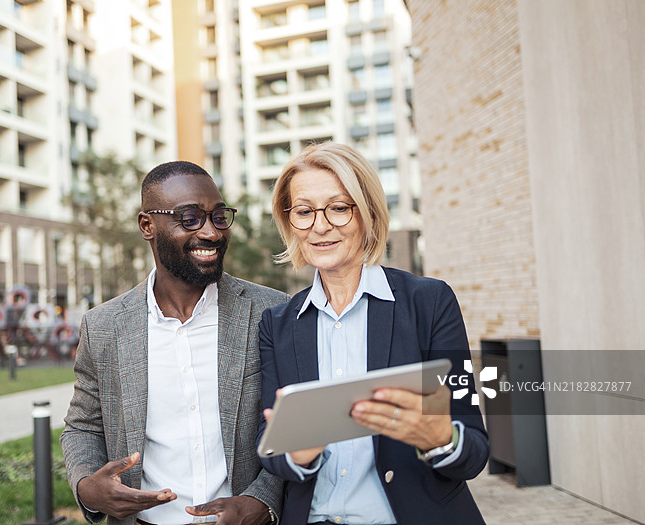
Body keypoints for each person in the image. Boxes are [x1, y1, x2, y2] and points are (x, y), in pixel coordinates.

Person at [257, 143, 489, 525]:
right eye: (304, 211)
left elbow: (475, 450)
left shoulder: (429, 303)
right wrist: (297, 454)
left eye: (338, 208)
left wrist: (440, 438)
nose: (320, 226)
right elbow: (270, 445)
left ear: (367, 213)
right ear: (290, 221)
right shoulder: (277, 324)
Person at [61, 161, 289, 525]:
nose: (211, 232)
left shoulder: (272, 311)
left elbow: (294, 424)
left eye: (218, 217)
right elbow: (83, 426)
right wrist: (88, 487)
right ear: (147, 226)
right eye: (190, 218)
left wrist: (262, 501)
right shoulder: (103, 326)